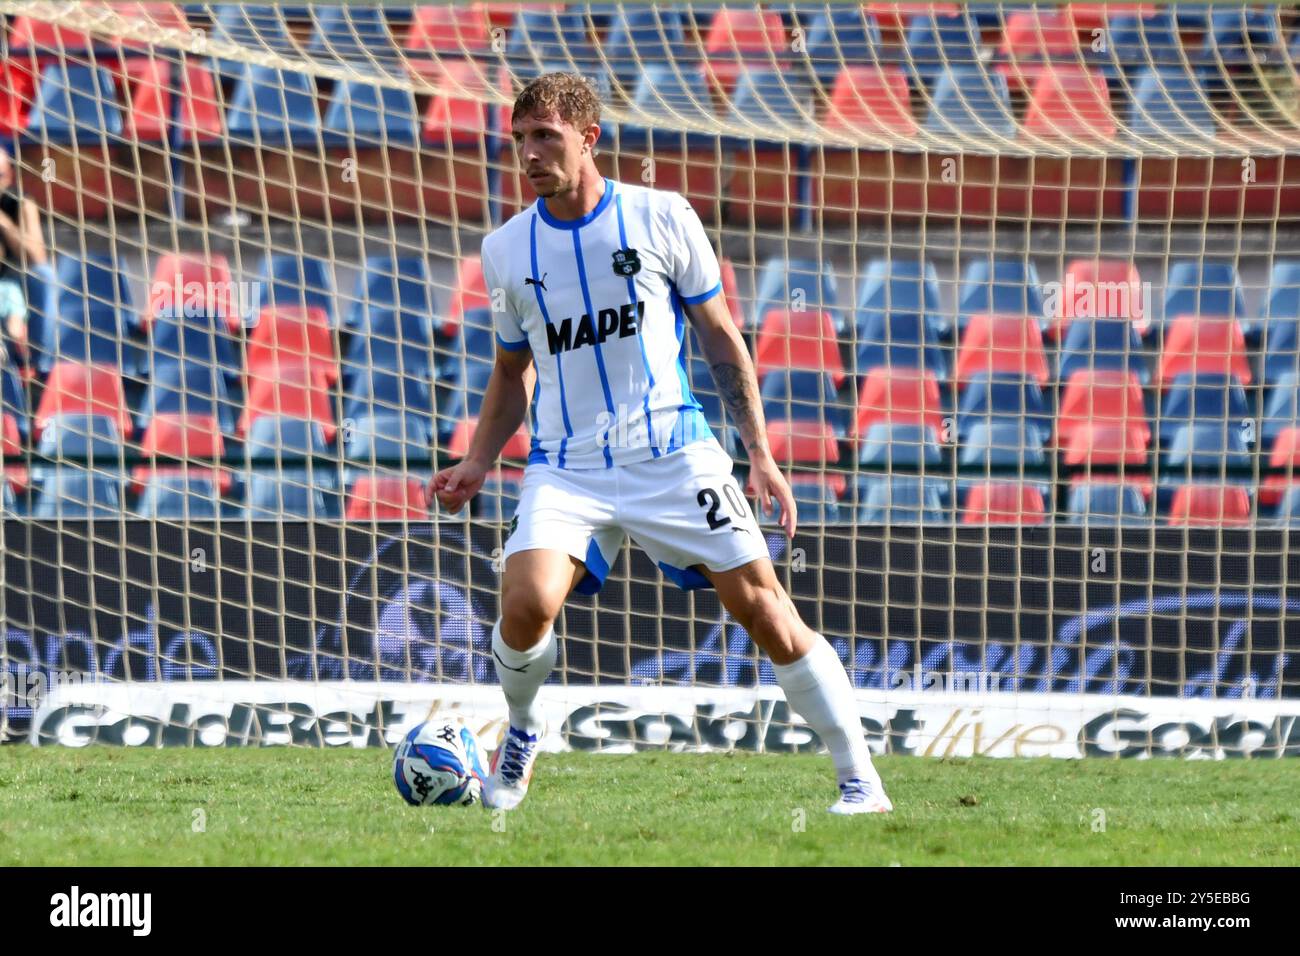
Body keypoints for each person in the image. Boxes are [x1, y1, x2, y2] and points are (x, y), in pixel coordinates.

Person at [431, 73, 891, 815]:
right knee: (525, 604)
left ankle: (859, 778)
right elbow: (511, 370)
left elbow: (719, 336)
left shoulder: (661, 216)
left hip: (671, 451)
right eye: (519, 139)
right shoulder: (505, 250)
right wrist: (479, 460)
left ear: (590, 138)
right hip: (566, 463)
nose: (529, 153)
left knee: (765, 608)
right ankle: (521, 729)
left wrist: (760, 453)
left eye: (546, 135)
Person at [0, 149, 47, 362]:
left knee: (12, 308)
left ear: (10, 175)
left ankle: (20, 357)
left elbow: (37, 257)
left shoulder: (20, 202)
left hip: (10, 280)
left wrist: (6, 224)